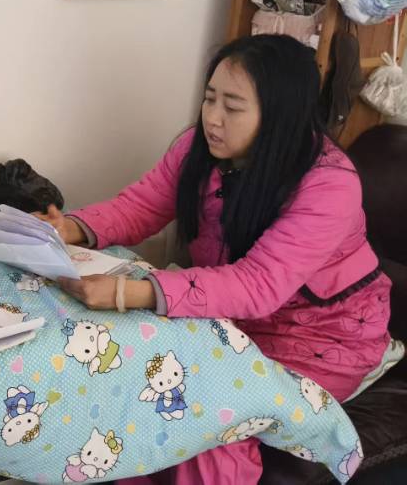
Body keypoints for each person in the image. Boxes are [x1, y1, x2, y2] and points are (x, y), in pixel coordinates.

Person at [36, 34, 391, 484]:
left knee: (214, 417)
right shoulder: (197, 150)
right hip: (230, 318)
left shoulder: (330, 184)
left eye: (233, 106)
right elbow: (140, 206)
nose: (212, 119)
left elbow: (258, 284)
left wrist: (128, 293)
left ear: (280, 114)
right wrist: (68, 228)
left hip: (322, 336)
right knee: (131, 377)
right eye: (209, 99)